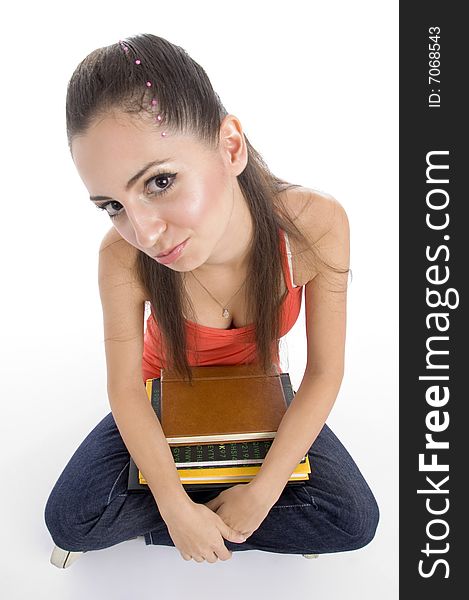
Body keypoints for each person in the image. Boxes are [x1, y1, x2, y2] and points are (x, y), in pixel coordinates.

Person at [44, 33, 379, 568]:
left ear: (230, 146)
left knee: (353, 521)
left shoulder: (314, 226)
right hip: (164, 399)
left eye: (160, 181)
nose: (146, 232)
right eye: (112, 205)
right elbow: (127, 392)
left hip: (258, 397)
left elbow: (323, 373)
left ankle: (207, 512)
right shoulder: (121, 258)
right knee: (70, 520)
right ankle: (203, 518)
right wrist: (177, 509)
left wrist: (262, 493)